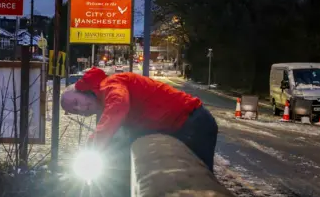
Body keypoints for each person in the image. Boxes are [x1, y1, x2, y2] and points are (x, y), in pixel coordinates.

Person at [60, 67, 218, 172]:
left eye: (76, 102)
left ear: (83, 90)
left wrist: (93, 148)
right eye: (75, 111)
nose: (80, 109)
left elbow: (118, 106)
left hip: (194, 123)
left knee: (202, 184)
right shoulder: (105, 98)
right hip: (186, 125)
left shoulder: (110, 84)